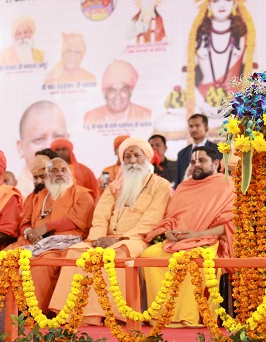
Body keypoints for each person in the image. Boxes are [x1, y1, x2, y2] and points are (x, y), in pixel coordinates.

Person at [49, 137, 172, 325]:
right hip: (105, 238)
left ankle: (114, 315)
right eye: (127, 156)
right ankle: (77, 314)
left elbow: (152, 219)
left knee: (117, 255)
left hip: (136, 239)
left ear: (147, 158)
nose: (132, 160)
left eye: (137, 155)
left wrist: (120, 239)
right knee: (76, 253)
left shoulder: (161, 185)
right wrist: (97, 238)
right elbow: (100, 216)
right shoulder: (115, 186)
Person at [141, 146, 235, 327]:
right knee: (148, 256)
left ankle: (188, 317)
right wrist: (168, 232)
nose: (196, 165)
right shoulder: (184, 187)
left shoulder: (228, 185)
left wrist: (199, 234)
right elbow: (170, 219)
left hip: (208, 241)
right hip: (178, 241)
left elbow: (230, 224)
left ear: (216, 163)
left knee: (192, 261)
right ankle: (159, 316)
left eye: (201, 160)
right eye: (193, 162)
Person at [9, 157, 95, 313]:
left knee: (40, 267)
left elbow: (76, 220)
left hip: (63, 245)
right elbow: (25, 222)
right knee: (5, 259)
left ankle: (34, 315)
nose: (59, 173)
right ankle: (4, 315)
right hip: (33, 243)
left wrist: (45, 228)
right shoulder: (37, 196)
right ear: (47, 175)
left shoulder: (82, 194)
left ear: (69, 173)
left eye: (63, 170)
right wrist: (29, 232)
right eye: (54, 171)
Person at [191, 0, 250, 111]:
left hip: (236, 103)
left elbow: (252, 72)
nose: (222, 4)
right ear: (209, 4)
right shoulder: (198, 35)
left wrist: (241, 103)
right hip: (202, 102)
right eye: (216, 0)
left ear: (235, 3)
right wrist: (201, 104)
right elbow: (186, 73)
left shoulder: (244, 35)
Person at [15, 100, 69, 196]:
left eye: (58, 136)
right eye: (39, 139)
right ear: (21, 148)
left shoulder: (82, 181)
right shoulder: (15, 196)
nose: (50, 146)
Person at [83, 60, 152, 127]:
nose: (118, 96)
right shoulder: (90, 117)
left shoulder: (146, 115)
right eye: (112, 90)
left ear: (130, 91)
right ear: (104, 93)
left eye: (123, 90)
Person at [176, 114, 219, 186]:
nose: (193, 129)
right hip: (187, 191)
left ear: (206, 128)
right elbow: (178, 181)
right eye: (191, 126)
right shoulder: (182, 153)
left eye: (197, 126)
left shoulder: (218, 150)